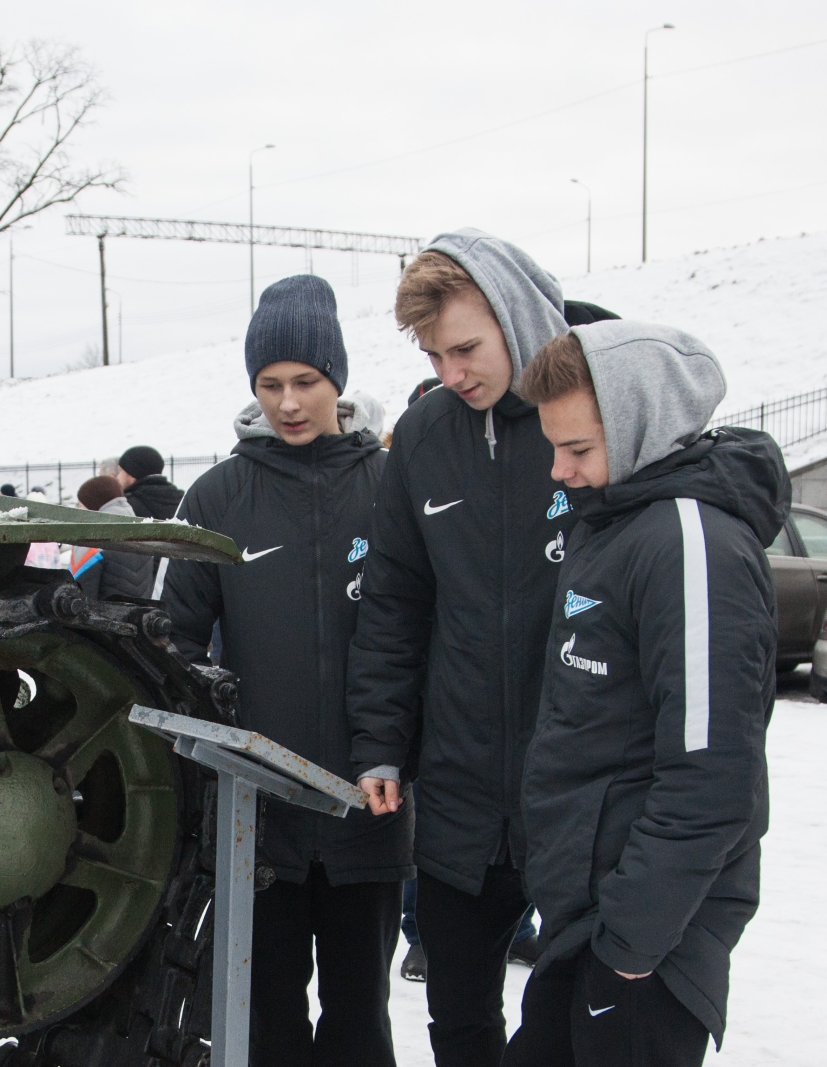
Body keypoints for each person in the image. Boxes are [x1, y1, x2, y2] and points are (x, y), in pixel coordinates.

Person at [346, 229, 617, 1067]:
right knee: (460, 1017)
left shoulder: (597, 414)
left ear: (517, 315)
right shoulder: (426, 436)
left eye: (465, 348)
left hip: (576, 790)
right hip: (461, 791)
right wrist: (382, 743)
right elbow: (393, 602)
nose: (451, 373)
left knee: (577, 1021)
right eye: (434, 355)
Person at [503, 323, 783, 1066]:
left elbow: (712, 777)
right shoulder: (617, 521)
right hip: (587, 919)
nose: (558, 470)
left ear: (643, 427)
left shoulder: (690, 543)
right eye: (554, 446)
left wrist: (630, 942)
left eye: (579, 450)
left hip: (643, 943)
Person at [159, 275, 411, 1067]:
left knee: (359, 1012)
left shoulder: (389, 487)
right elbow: (173, 642)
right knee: (265, 1013)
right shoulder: (219, 496)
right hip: (255, 815)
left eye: (306, 381)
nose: (289, 402)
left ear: (337, 378)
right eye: (270, 384)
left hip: (368, 805)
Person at [68, 476, 156, 599]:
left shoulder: (91, 540)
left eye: (81, 506)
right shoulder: (143, 538)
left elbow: (75, 591)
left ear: (92, 506)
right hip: (138, 616)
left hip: (101, 616)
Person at [115, 446, 184, 520]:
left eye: (120, 471)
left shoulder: (125, 507)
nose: (117, 477)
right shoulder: (182, 501)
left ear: (132, 476)